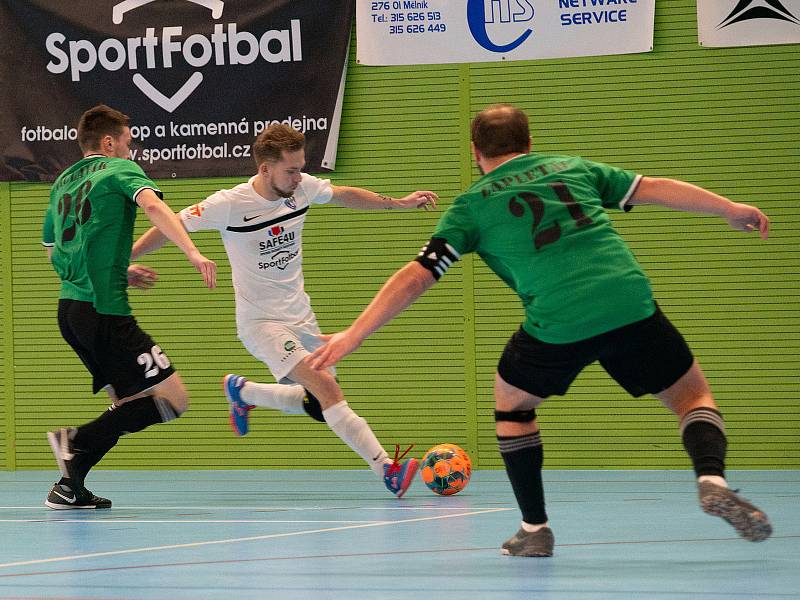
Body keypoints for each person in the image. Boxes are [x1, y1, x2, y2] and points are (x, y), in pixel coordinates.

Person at [307, 103, 773, 555]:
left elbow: (417, 275)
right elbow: (655, 187)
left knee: (513, 403)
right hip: (627, 300)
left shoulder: (470, 207)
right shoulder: (572, 167)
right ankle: (711, 479)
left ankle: (535, 528)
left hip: (557, 319)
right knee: (691, 397)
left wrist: (356, 333)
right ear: (530, 142)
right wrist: (729, 208)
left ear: (475, 152)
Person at [131, 124, 438, 497]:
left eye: (300, 168)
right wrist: (126, 257)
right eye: (291, 170)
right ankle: (387, 469)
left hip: (301, 317)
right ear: (265, 169)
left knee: (315, 403)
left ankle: (244, 392)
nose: (299, 176)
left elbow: (343, 195)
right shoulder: (229, 204)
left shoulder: (301, 188)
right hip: (261, 322)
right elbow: (170, 225)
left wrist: (399, 203)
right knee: (326, 390)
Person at [42, 104, 217, 510]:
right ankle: (76, 441)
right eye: (128, 141)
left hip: (71, 312)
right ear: (109, 142)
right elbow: (155, 207)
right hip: (106, 313)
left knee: (126, 405)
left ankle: (69, 486)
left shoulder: (63, 182)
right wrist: (191, 251)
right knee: (174, 400)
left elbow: (55, 252)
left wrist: (118, 269)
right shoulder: (119, 170)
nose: (130, 149)